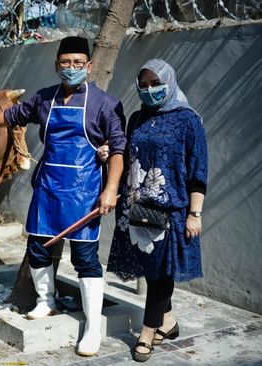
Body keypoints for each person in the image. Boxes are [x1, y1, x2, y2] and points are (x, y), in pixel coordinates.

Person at [0, 36, 126, 356]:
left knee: (85, 258)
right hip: (48, 188)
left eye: (77, 63)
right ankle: (46, 301)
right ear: (57, 65)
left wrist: (110, 189)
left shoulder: (105, 104)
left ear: (88, 66)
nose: (70, 68)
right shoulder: (45, 98)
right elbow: (11, 116)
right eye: (65, 63)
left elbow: (118, 150)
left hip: (84, 192)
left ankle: (92, 326)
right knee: (38, 249)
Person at [105, 59, 208, 362]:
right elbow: (126, 154)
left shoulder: (188, 120)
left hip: (172, 210)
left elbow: (198, 170)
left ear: (169, 82)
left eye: (156, 83)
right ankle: (169, 322)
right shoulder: (136, 118)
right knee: (151, 272)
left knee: (162, 273)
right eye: (144, 84)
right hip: (136, 209)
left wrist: (195, 213)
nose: (149, 90)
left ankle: (147, 333)